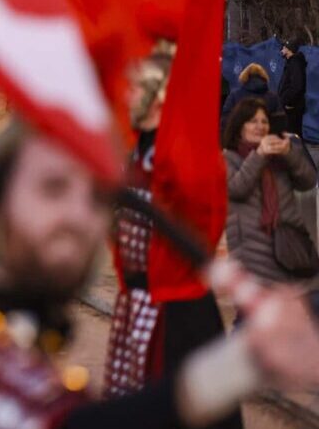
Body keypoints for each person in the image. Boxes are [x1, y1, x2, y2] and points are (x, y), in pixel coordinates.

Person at [0, 122, 319, 428]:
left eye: (95, 198)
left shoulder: (39, 361)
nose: (78, 216)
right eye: (52, 188)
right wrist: (241, 362)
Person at [104, 43, 234, 429]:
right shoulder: (137, 150)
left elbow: (201, 224)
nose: (129, 96)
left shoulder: (188, 154)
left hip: (176, 306)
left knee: (183, 407)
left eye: (138, 87)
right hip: (137, 299)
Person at [223, 98, 317, 285]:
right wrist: (258, 156)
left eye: (264, 121)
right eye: (253, 121)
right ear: (240, 126)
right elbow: (236, 188)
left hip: (287, 249)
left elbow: (308, 181)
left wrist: (290, 153)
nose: (260, 126)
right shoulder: (229, 158)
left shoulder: (279, 158)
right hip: (251, 251)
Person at [220, 63, 282, 130]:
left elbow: (225, 119)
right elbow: (280, 120)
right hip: (266, 136)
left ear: (244, 76)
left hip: (240, 137)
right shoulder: (273, 97)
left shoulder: (235, 95)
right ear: (264, 77)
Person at [278, 37, 308, 136]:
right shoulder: (291, 63)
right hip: (290, 107)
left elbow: (297, 86)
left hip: (292, 108)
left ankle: (298, 152)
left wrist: (289, 102)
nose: (281, 50)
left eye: (284, 48)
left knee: (293, 138)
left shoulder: (295, 63)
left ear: (289, 49)